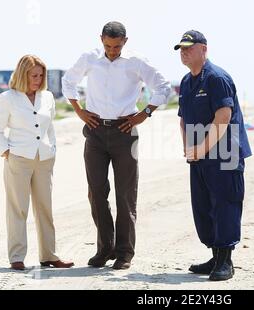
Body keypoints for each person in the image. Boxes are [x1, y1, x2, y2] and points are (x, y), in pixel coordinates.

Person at [62, 21, 171, 270]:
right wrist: (79, 110)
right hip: (95, 131)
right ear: (101, 39)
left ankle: (124, 253)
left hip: (125, 131)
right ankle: (104, 249)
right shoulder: (90, 58)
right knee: (96, 192)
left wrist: (144, 114)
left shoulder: (137, 61)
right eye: (108, 45)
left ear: (126, 41)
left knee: (125, 194)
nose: (112, 50)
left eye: (117, 46)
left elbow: (163, 87)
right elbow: (68, 81)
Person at [174, 30, 252, 281]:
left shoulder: (216, 78)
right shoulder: (186, 82)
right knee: (203, 206)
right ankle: (215, 256)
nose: (184, 52)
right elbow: (184, 118)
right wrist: (189, 148)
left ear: (204, 49)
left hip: (225, 153)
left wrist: (201, 149)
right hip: (199, 155)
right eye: (181, 49)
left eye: (189, 47)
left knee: (225, 204)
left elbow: (223, 117)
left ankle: (225, 261)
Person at [0, 55, 74, 271]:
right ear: (22, 74)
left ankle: (49, 255)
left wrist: (52, 148)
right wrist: (6, 152)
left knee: (45, 208)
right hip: (18, 158)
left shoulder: (47, 97)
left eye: (41, 75)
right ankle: (17, 257)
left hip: (44, 159)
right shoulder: (7, 97)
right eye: (34, 75)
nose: (38, 79)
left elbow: (50, 128)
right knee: (18, 209)